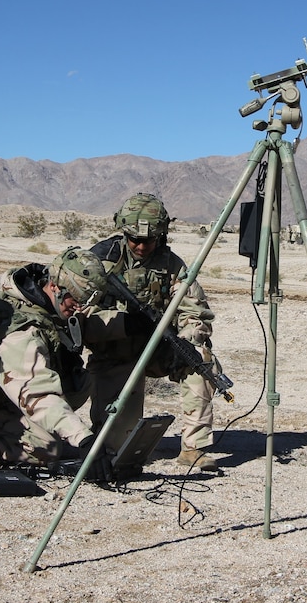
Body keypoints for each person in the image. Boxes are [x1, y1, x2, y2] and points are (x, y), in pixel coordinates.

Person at [0, 247, 112, 472]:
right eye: (77, 300)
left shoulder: (46, 302)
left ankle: (42, 425)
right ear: (54, 286)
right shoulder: (20, 330)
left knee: (79, 382)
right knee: (44, 448)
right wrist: (83, 438)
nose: (80, 308)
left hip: (5, 393)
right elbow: (35, 391)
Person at [85, 193, 221, 471]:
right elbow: (80, 315)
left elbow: (195, 310)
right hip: (115, 354)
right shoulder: (100, 262)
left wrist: (186, 341)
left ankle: (194, 449)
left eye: (149, 239)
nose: (141, 245)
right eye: (134, 239)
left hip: (157, 350)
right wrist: (125, 324)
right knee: (117, 449)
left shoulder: (171, 264)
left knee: (200, 361)